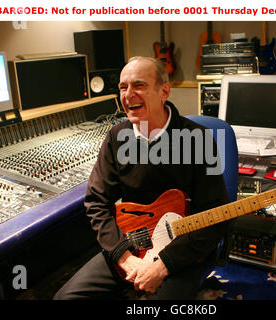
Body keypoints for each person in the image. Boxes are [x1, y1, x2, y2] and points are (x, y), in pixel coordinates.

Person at [54, 56, 229, 300]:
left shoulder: (198, 139)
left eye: (139, 86)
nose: (128, 94)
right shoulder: (117, 136)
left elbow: (215, 217)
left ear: (164, 91)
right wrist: (124, 257)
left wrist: (163, 265)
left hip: (182, 252)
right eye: (123, 87)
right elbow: (96, 202)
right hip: (131, 244)